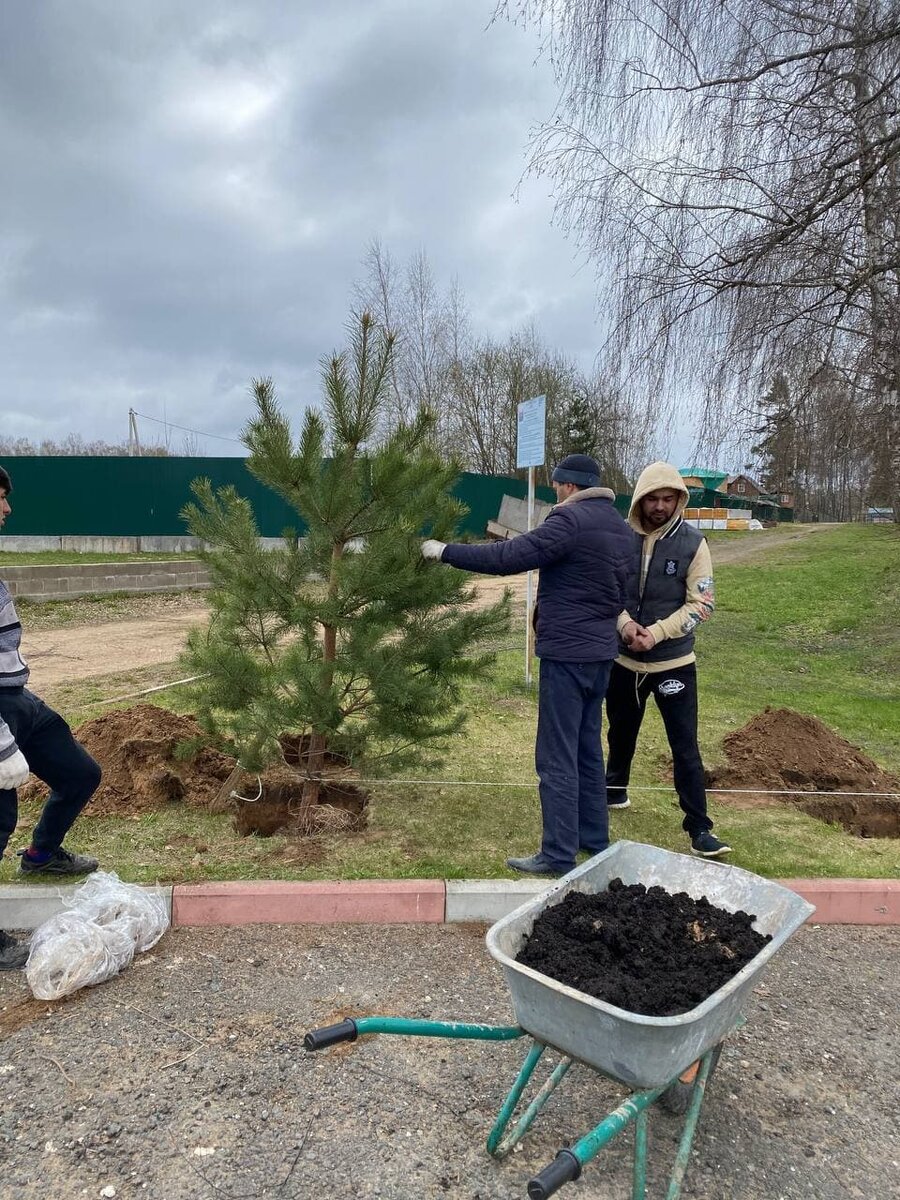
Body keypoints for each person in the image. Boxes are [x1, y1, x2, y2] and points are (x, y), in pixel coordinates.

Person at [421, 454, 634, 877]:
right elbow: (626, 590)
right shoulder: (618, 526)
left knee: (556, 755)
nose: (555, 491)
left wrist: (445, 551)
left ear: (568, 485)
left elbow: (509, 557)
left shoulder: (569, 522)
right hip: (600, 655)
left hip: (567, 656)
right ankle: (595, 842)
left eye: (557, 485)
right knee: (588, 750)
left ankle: (557, 854)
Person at [0, 465, 102, 971]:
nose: (7, 509)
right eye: (0, 498)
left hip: (17, 698)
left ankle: (42, 854)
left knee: (80, 772)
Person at [604, 461, 731, 857]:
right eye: (652, 499)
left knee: (685, 746)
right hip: (624, 660)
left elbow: (703, 604)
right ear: (640, 500)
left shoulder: (694, 543)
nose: (660, 506)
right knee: (620, 732)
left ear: (679, 499)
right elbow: (607, 591)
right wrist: (625, 626)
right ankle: (614, 790)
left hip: (673, 663)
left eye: (668, 498)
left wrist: (656, 633)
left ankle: (699, 829)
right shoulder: (620, 538)